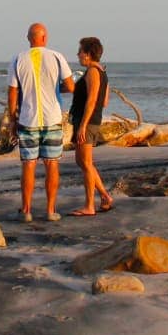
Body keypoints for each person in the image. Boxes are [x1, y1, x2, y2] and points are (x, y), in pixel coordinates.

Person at [5, 22, 74, 223]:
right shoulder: (57, 57)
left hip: (28, 119)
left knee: (29, 165)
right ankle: (51, 210)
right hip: (52, 118)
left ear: (28, 38)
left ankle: (26, 210)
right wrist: (54, 88)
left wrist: (12, 119)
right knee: (52, 164)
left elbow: (12, 91)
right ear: (45, 38)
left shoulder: (17, 59)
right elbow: (70, 86)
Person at [68, 36, 115, 217]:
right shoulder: (100, 72)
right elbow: (105, 101)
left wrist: (83, 126)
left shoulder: (93, 72)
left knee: (86, 163)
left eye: (80, 51)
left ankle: (89, 205)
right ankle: (104, 196)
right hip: (87, 121)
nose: (78, 55)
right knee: (82, 162)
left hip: (87, 122)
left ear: (88, 54)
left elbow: (93, 100)